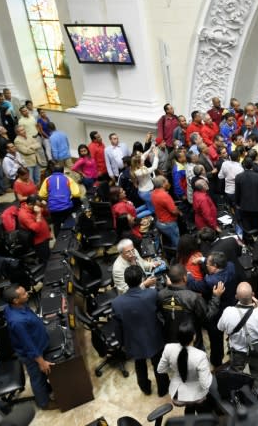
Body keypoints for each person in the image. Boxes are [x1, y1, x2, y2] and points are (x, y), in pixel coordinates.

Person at [112, 265, 170, 396]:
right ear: (141, 279)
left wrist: (122, 343)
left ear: (126, 282)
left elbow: (117, 327)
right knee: (159, 364)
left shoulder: (117, 303)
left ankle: (145, 389)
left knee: (140, 366)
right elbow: (161, 312)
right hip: (154, 336)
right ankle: (163, 389)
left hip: (133, 340)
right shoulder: (152, 294)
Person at [216, 281, 258, 391]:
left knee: (235, 375)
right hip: (257, 350)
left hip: (237, 351)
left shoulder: (228, 312)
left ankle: (236, 395)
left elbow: (220, 328)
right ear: (253, 295)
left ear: (236, 296)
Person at [3, 284, 55, 409]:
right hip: (31, 354)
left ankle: (48, 389)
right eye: (24, 294)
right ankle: (44, 403)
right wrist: (41, 361)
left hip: (38, 344)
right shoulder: (17, 321)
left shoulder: (13, 306)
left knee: (41, 376)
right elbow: (28, 344)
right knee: (38, 378)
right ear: (15, 300)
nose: (28, 294)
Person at [156, 323, 213, 413]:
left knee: (189, 410)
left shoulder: (168, 348)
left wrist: (176, 369)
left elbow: (160, 369)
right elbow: (205, 384)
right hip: (196, 394)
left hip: (178, 393)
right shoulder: (200, 355)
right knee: (203, 408)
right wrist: (209, 374)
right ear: (194, 337)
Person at [38, 162, 80, 237]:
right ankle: (69, 239)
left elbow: (41, 194)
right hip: (66, 207)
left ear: (53, 171)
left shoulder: (47, 179)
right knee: (68, 223)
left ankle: (58, 241)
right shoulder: (68, 179)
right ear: (63, 171)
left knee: (56, 225)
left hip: (53, 208)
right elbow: (76, 193)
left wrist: (50, 198)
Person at [18, 194, 52, 263]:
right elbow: (35, 229)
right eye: (38, 205)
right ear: (30, 204)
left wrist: (44, 206)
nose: (39, 208)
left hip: (45, 237)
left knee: (48, 255)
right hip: (39, 242)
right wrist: (39, 214)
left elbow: (46, 214)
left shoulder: (34, 207)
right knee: (46, 261)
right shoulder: (24, 215)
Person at [151, 175, 182, 248]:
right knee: (177, 242)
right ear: (163, 184)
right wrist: (180, 212)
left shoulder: (153, 193)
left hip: (160, 221)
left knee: (171, 239)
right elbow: (174, 211)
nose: (168, 182)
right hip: (169, 224)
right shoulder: (164, 196)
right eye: (166, 180)